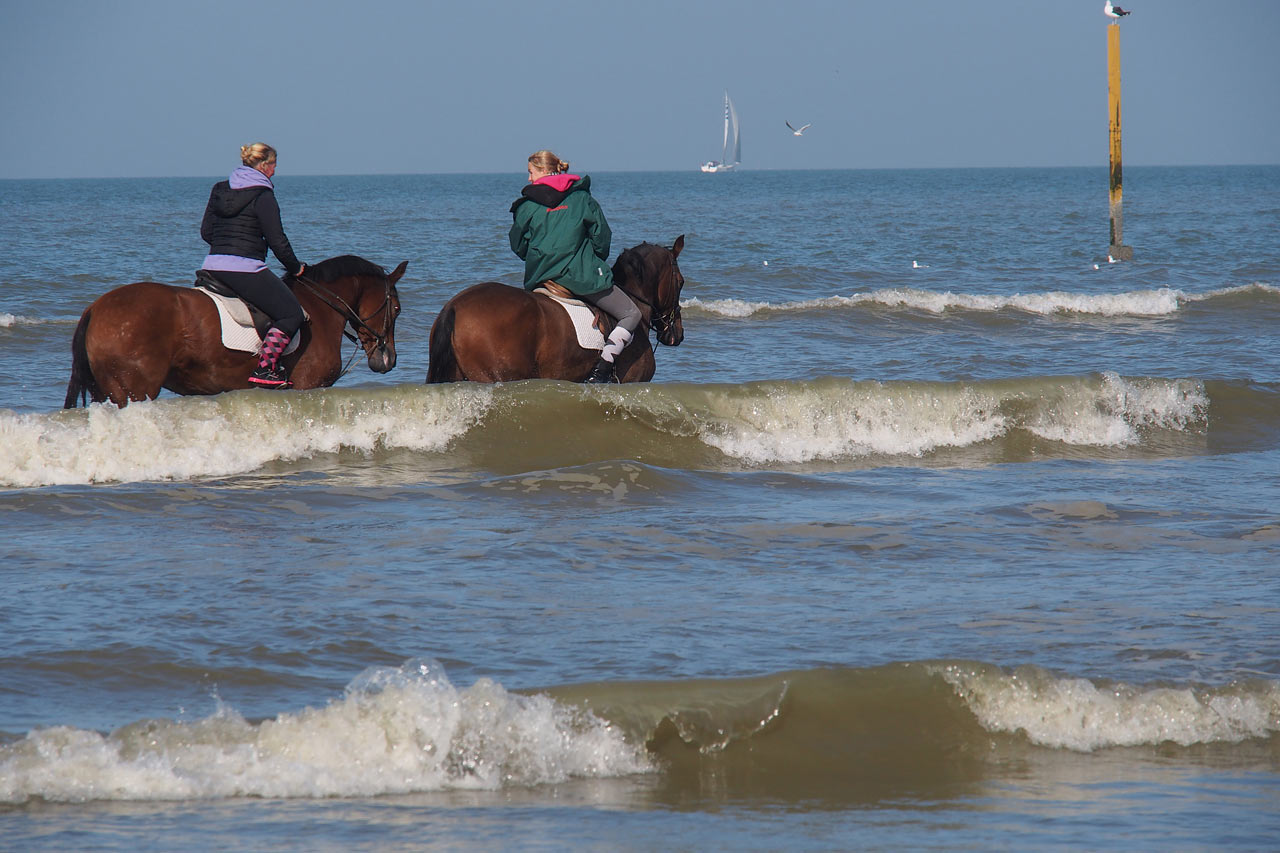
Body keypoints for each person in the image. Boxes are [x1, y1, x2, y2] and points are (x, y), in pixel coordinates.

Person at [509, 150, 641, 383]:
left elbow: (519, 246)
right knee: (632, 313)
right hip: (580, 276)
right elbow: (602, 240)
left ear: (544, 171)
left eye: (531, 173)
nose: (529, 179)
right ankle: (602, 372)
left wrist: (543, 258)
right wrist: (591, 261)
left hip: (541, 277)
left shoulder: (526, 206)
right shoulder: (582, 200)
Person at [200, 142, 307, 388]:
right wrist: (295, 268)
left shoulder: (219, 189)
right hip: (245, 267)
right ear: (262, 165)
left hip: (212, 265)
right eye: (273, 165)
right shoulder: (263, 195)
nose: (274, 171)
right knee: (292, 314)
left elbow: (207, 231)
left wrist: (225, 248)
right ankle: (265, 368)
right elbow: (277, 241)